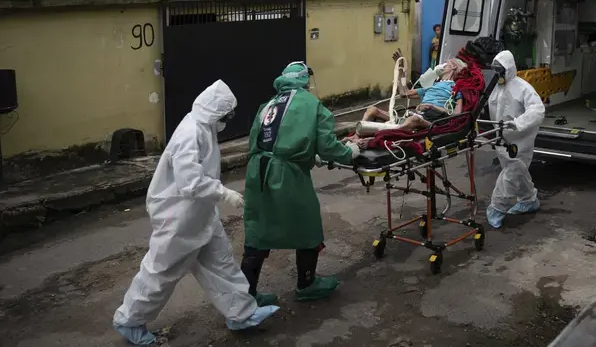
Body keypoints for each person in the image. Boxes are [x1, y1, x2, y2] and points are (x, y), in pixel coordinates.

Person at [112, 80, 279, 346]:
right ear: (216, 112)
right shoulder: (191, 132)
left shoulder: (204, 126)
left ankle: (241, 313)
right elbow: (189, 182)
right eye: (226, 115)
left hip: (200, 213)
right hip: (178, 217)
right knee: (160, 272)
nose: (228, 120)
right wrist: (224, 193)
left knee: (222, 263)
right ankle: (129, 320)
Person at [241, 62, 360, 306]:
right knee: (307, 223)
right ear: (306, 81)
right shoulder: (312, 104)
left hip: (257, 171)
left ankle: (245, 296)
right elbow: (328, 146)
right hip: (287, 174)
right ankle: (307, 284)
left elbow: (262, 142)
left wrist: (306, 154)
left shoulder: (267, 106)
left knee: (258, 229)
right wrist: (351, 152)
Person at [486, 51, 545, 229]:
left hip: (521, 139)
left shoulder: (523, 88)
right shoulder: (495, 87)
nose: (498, 75)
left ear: (509, 69)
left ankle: (497, 207)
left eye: (501, 71)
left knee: (511, 172)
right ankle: (529, 199)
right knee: (517, 170)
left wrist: (518, 123)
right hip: (503, 139)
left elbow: (538, 110)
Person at [352, 58, 466, 142]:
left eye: (447, 64)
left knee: (414, 119)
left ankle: (376, 138)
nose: (443, 65)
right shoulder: (431, 86)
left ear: (453, 67)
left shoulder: (455, 89)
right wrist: (402, 70)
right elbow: (404, 93)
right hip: (416, 116)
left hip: (432, 121)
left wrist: (432, 106)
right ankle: (357, 136)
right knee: (372, 109)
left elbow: (457, 114)